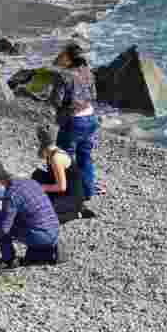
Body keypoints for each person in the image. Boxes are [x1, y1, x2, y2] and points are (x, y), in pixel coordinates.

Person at [48, 41, 100, 210]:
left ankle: (72, 195)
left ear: (69, 57)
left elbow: (56, 100)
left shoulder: (64, 76)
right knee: (85, 156)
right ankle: (88, 191)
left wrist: (65, 108)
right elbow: (93, 94)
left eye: (63, 53)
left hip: (73, 121)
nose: (60, 56)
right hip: (91, 118)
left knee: (66, 158)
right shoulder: (88, 72)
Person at [0, 161, 61, 270]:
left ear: (1, 179)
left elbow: (4, 227)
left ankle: (9, 260)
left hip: (39, 235)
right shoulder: (32, 182)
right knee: (23, 217)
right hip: (54, 229)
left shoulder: (11, 194)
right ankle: (47, 248)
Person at [31, 125, 87, 223]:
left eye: (38, 138)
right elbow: (41, 155)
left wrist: (40, 187)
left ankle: (77, 213)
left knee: (42, 214)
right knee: (36, 175)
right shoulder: (52, 151)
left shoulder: (56, 158)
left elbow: (61, 187)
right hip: (62, 191)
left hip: (72, 197)